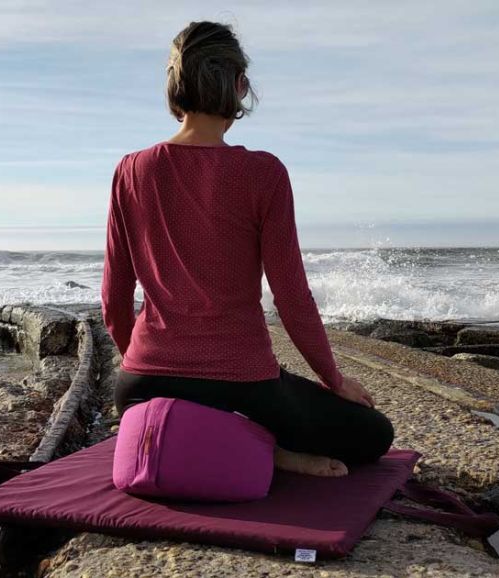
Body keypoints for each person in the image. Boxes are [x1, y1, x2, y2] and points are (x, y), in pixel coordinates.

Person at [102, 21, 394, 477]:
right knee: (375, 434)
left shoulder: (131, 170)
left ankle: (190, 432)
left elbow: (114, 299)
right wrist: (334, 380)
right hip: (241, 384)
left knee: (177, 410)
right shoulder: (263, 174)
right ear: (239, 86)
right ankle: (267, 450)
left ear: (175, 86)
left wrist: (140, 360)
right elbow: (292, 298)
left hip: (140, 386)